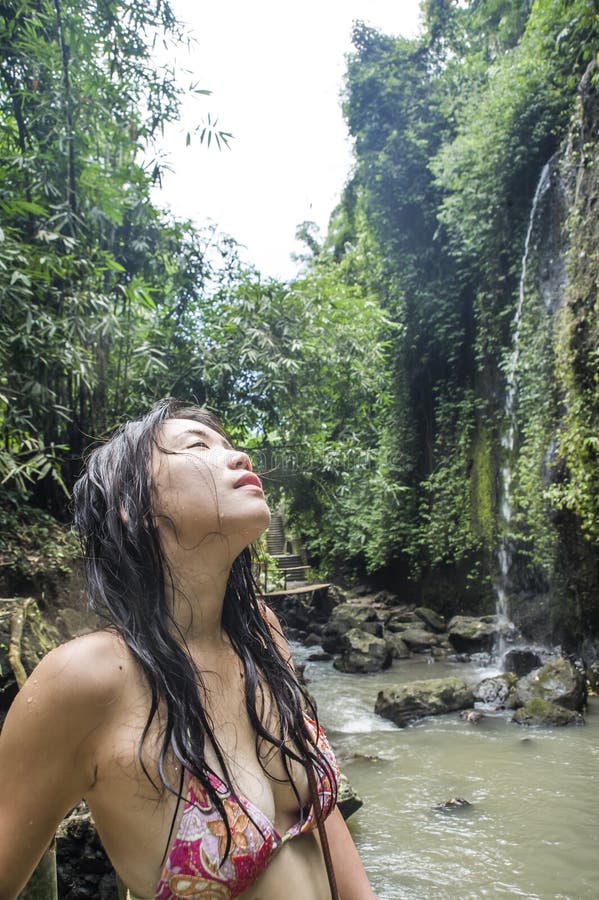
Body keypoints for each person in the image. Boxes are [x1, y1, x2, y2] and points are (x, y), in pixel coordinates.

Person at [0, 400, 376, 900]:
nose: (239, 455)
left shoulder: (260, 636)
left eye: (228, 443)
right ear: (133, 505)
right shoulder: (86, 680)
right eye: (198, 445)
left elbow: (323, 821)